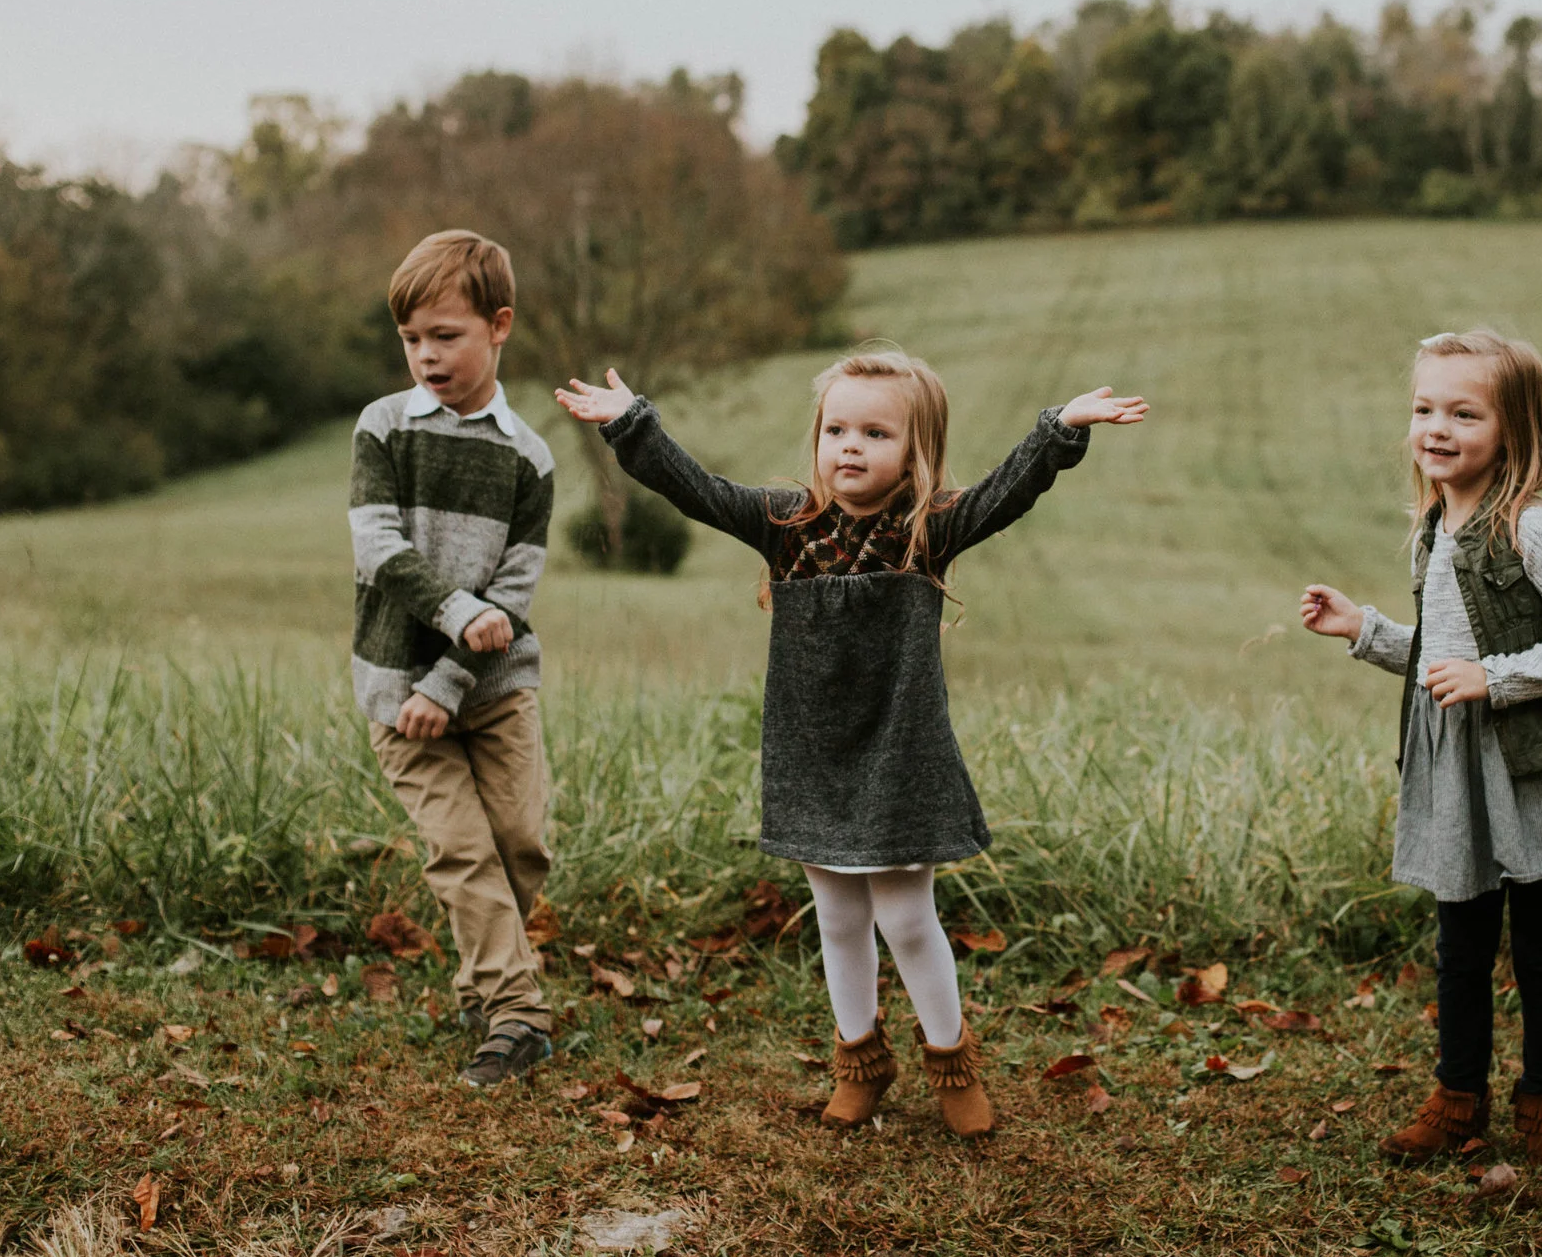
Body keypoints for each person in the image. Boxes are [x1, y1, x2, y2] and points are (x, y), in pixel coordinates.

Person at [557, 347, 1146, 1136]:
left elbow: (1008, 490)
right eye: (837, 429)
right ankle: (861, 1063)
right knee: (836, 917)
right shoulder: (786, 525)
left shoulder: (929, 528)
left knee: (906, 918)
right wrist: (633, 424)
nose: (851, 447)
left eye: (875, 432)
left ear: (915, 448)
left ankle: (953, 1064)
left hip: (901, 755)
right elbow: (696, 488)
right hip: (812, 756)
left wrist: (1059, 428)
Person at [1299, 328, 1542, 1169]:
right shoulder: (1434, 528)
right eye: (1425, 409)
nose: (1437, 428)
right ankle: (1458, 1100)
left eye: (1464, 413)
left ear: (1512, 428)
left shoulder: (1531, 529)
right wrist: (1363, 628)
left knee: (1540, 947)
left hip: (1534, 764)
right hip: (1458, 771)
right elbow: (1440, 656)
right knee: (1459, 948)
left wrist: (1497, 678)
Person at [351, 230, 559, 1089]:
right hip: (399, 690)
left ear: (498, 325)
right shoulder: (384, 427)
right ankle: (517, 1015)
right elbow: (378, 546)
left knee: (520, 843)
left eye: (446, 335)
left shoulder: (530, 458)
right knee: (463, 850)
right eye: (411, 338)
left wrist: (455, 675)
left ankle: (485, 982)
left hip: (495, 690)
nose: (426, 355)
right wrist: (452, 616)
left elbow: (514, 592)